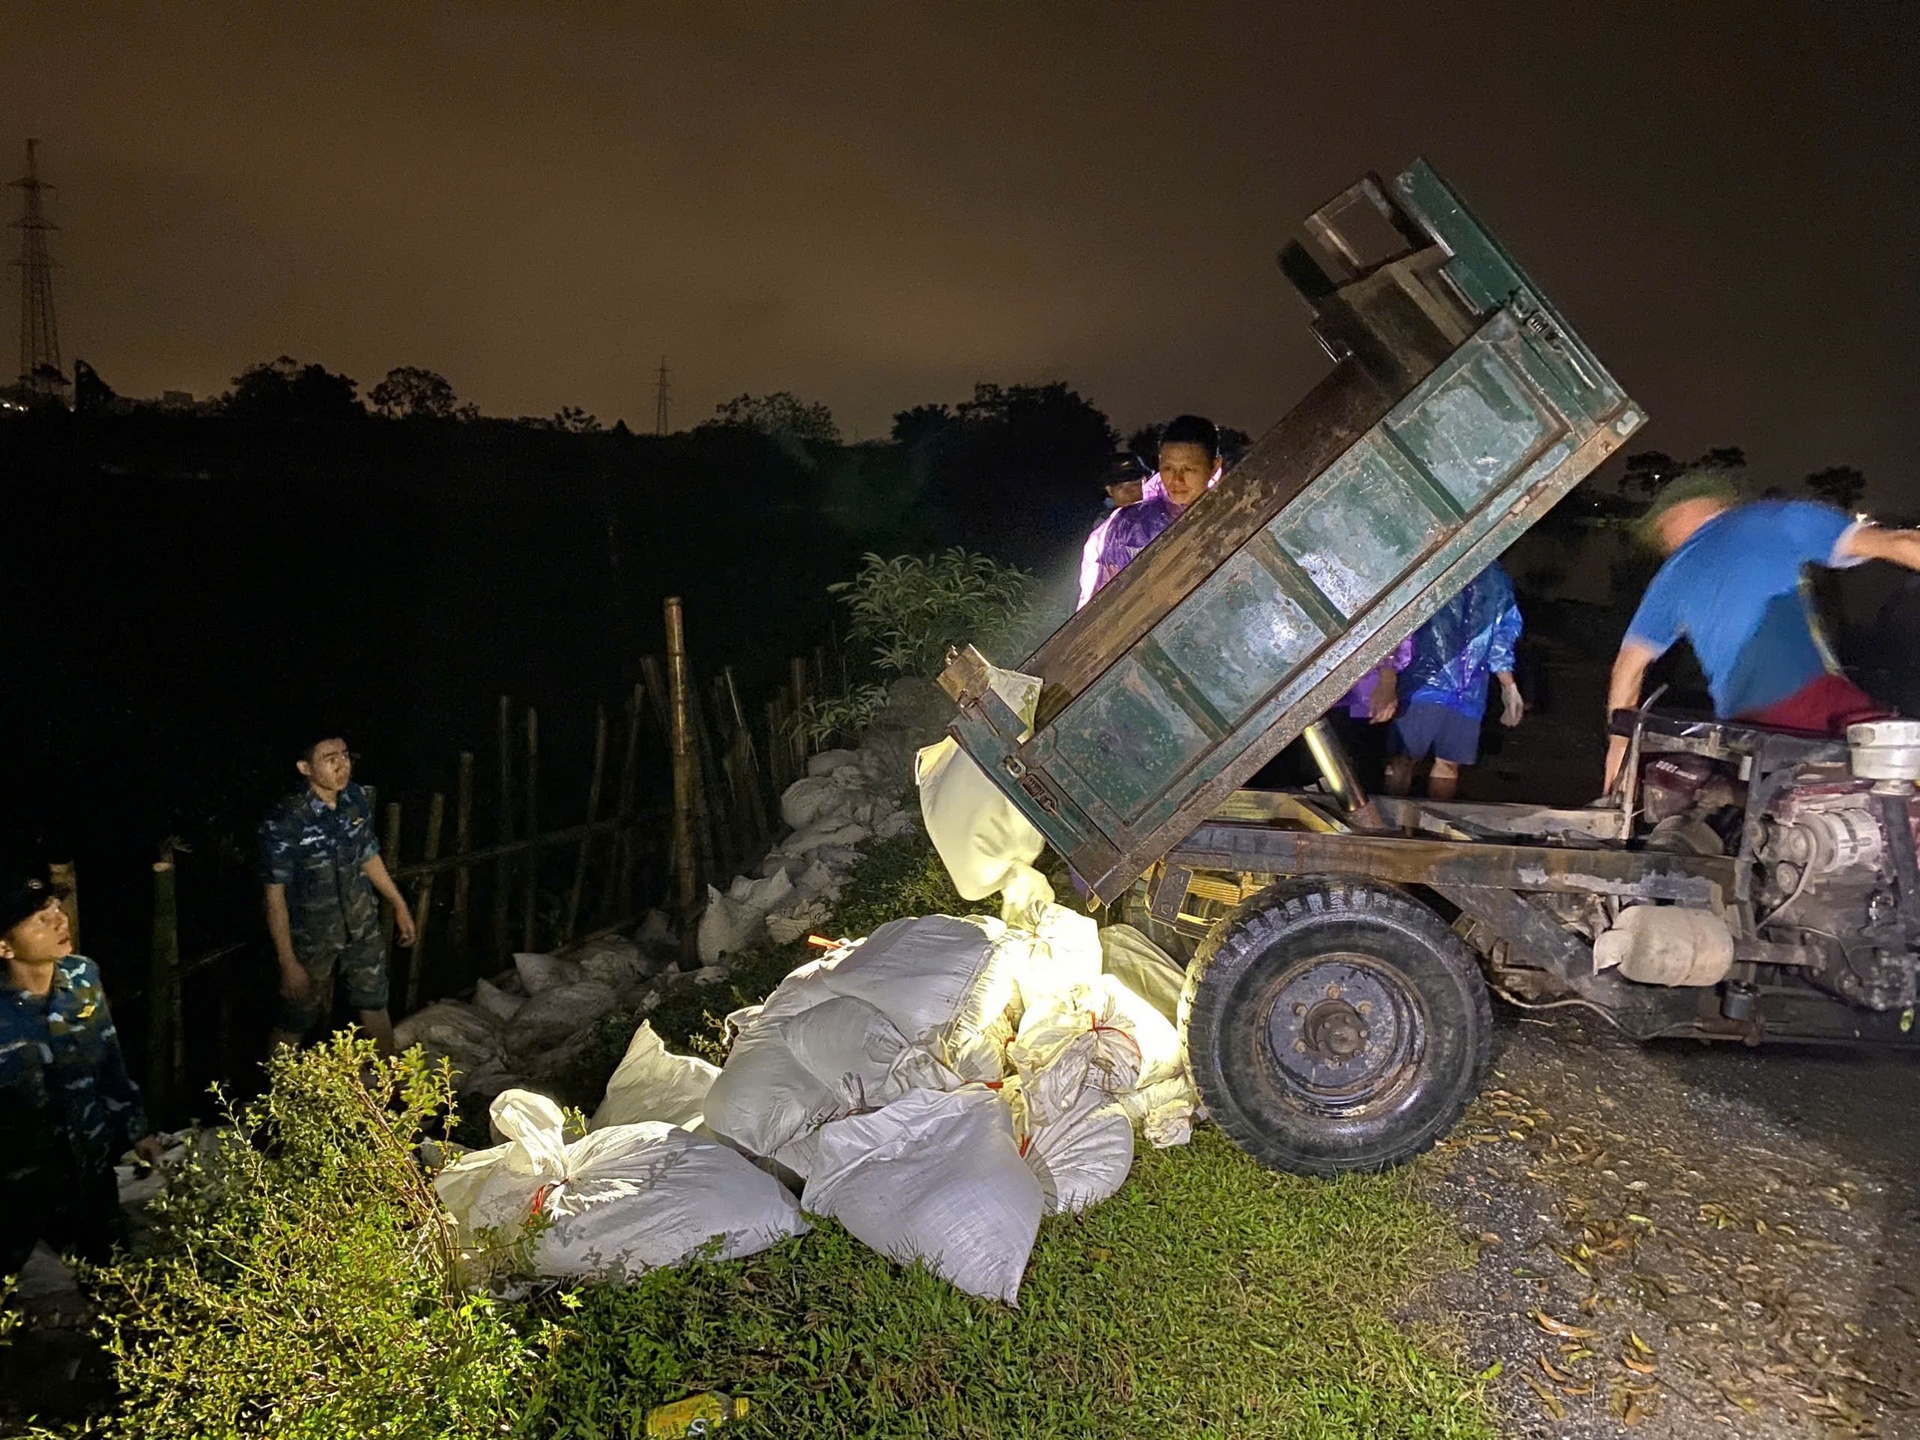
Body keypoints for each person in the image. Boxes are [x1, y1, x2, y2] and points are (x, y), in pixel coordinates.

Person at [1602, 471, 1920, 790]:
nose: (1665, 543)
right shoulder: (1780, 517)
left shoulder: (1671, 576)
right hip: (1818, 711)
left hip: (1743, 735)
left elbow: (1627, 670)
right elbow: (1902, 543)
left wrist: (1615, 777)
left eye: (1662, 530)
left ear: (1683, 511)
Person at [1, 868, 163, 1275]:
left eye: (57, 908)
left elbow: (109, 1057)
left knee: (119, 1286)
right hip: (15, 1187)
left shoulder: (82, 977)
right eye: (41, 919)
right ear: (4, 946)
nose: (60, 920)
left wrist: (137, 1128)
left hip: (88, 1170)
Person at [262, 735, 415, 1055]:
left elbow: (368, 854)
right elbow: (274, 897)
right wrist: (288, 961)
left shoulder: (355, 799)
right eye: (329, 758)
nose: (341, 764)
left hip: (361, 926)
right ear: (305, 767)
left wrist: (398, 904)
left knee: (375, 1004)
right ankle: (278, 1098)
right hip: (313, 937)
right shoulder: (288, 820)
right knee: (295, 1020)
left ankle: (388, 1095)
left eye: (344, 755)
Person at [1385, 562, 1524, 800]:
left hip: (1469, 692)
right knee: (1403, 758)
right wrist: (1388, 674)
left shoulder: (1497, 580)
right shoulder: (1432, 567)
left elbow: (1502, 633)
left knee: (1449, 764)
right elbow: (1400, 624)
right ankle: (1389, 827)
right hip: (1421, 683)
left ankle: (1435, 827)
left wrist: (1508, 685)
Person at [1076, 414, 1223, 608]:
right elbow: (1094, 608)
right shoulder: (1124, 526)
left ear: (1214, 466)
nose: (1177, 480)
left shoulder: (1237, 513)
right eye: (1168, 468)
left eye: (1189, 469)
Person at [1077, 452, 1151, 608]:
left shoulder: (1164, 514)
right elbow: (1090, 592)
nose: (1129, 491)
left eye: (1134, 483)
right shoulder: (1100, 537)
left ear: (1145, 481)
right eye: (1120, 486)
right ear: (1109, 490)